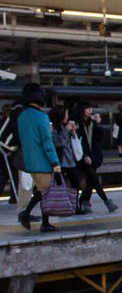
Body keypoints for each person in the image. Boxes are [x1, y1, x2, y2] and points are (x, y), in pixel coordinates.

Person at [16, 83, 60, 232]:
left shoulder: (22, 116)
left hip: (28, 160)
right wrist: (55, 161)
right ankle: (26, 214)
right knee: (45, 192)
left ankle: (44, 222)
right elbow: (47, 143)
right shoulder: (41, 117)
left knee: (42, 192)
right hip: (42, 161)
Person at [74, 102, 117, 214]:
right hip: (83, 157)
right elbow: (78, 142)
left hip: (94, 156)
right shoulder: (77, 123)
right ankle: (107, 202)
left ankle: (84, 201)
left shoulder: (92, 123)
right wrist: (84, 155)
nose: (90, 111)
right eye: (87, 109)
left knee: (91, 181)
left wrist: (98, 124)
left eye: (90, 109)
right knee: (94, 179)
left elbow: (99, 138)